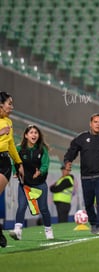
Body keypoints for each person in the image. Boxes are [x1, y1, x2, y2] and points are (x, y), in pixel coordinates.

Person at [9, 125, 54, 240]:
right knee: (22, 206)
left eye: (36, 133)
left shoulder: (42, 149)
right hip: (25, 184)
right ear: (26, 135)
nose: (34, 135)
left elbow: (45, 164)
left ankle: (48, 230)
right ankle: (17, 231)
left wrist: (40, 172)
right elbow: (14, 161)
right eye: (31, 133)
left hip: (40, 184)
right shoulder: (19, 149)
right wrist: (15, 172)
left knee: (43, 208)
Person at [0, 91, 24, 248]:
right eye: (10, 103)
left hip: (3, 162)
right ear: (1, 105)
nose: (12, 107)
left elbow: (10, 145)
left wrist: (19, 163)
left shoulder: (8, 121)